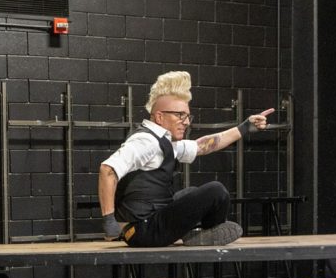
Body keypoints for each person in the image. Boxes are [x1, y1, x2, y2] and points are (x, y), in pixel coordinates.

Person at [99, 70, 274, 247]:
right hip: (144, 231)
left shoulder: (163, 141)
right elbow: (107, 170)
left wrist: (244, 127)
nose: (186, 122)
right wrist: (109, 221)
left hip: (148, 224)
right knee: (216, 191)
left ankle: (202, 233)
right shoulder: (146, 141)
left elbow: (202, 146)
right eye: (180, 115)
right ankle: (208, 231)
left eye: (187, 116)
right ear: (160, 116)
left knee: (189, 193)